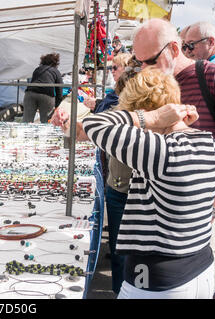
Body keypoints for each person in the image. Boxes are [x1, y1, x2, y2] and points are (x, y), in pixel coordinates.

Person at [80, 67, 215, 298]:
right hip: (201, 267)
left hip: (158, 279)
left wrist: (149, 118)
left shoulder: (158, 149)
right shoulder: (207, 141)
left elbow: (93, 125)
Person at [133, 18, 215, 297]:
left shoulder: (211, 77)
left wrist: (213, 204)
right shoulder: (155, 86)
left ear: (173, 48)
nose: (142, 70)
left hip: (205, 219)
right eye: (138, 62)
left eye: (149, 61)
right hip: (162, 224)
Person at [52, 55, 140, 295]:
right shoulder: (117, 112)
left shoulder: (151, 121)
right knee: (120, 251)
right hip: (118, 188)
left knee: (133, 254)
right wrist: (65, 119)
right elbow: (85, 131)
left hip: (136, 194)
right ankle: (118, 291)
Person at [23, 53, 63, 123]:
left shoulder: (37, 69)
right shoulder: (56, 71)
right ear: (55, 62)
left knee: (27, 121)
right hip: (46, 96)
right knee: (46, 122)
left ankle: (24, 133)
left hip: (30, 94)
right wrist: (57, 105)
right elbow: (59, 89)